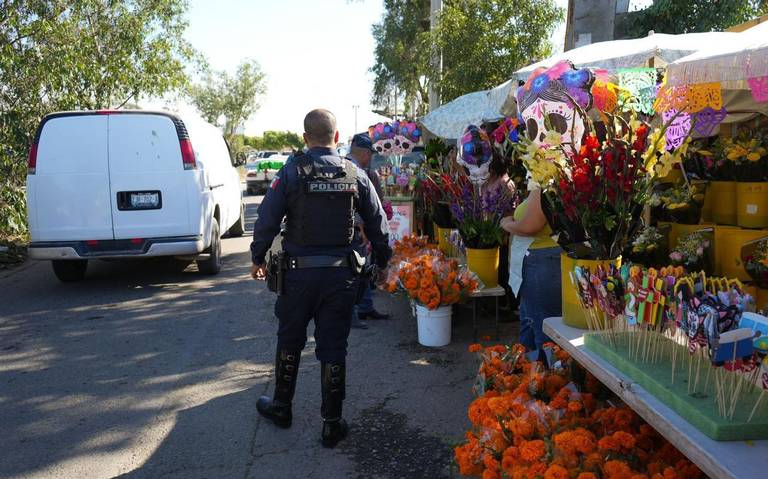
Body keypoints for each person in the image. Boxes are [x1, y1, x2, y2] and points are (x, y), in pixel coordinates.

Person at [250, 109, 392, 448]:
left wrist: (257, 257)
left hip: (297, 277)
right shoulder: (355, 173)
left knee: (290, 340)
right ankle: (332, 422)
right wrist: (384, 262)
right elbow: (378, 223)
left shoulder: (291, 172)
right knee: (333, 346)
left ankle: (282, 407)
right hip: (341, 279)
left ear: (304, 138)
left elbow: (267, 218)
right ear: (338, 137)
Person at [500, 184, 561, 351]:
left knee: (543, 331)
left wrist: (506, 224)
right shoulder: (542, 179)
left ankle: (546, 374)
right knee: (529, 323)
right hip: (541, 260)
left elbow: (530, 226)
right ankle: (527, 372)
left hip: (543, 261)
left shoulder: (545, 179)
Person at [346, 133, 392, 329]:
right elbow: (368, 213)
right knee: (353, 274)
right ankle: (352, 314)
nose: (371, 158)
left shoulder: (347, 168)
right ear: (365, 153)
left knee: (361, 272)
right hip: (353, 234)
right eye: (370, 154)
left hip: (353, 234)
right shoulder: (354, 172)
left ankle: (364, 308)